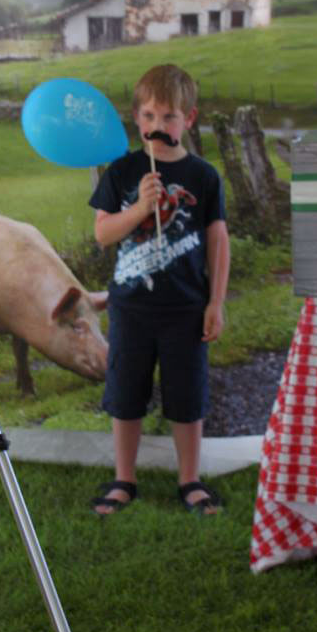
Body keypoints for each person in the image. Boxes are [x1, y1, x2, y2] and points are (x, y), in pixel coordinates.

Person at [89, 64, 230, 516]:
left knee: (187, 398)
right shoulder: (123, 172)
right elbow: (103, 234)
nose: (157, 127)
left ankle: (190, 479)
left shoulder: (204, 176)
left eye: (168, 118)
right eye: (148, 116)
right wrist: (139, 209)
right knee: (125, 395)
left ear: (188, 120)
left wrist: (216, 302)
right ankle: (123, 479)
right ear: (136, 118)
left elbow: (217, 240)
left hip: (186, 308)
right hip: (131, 308)